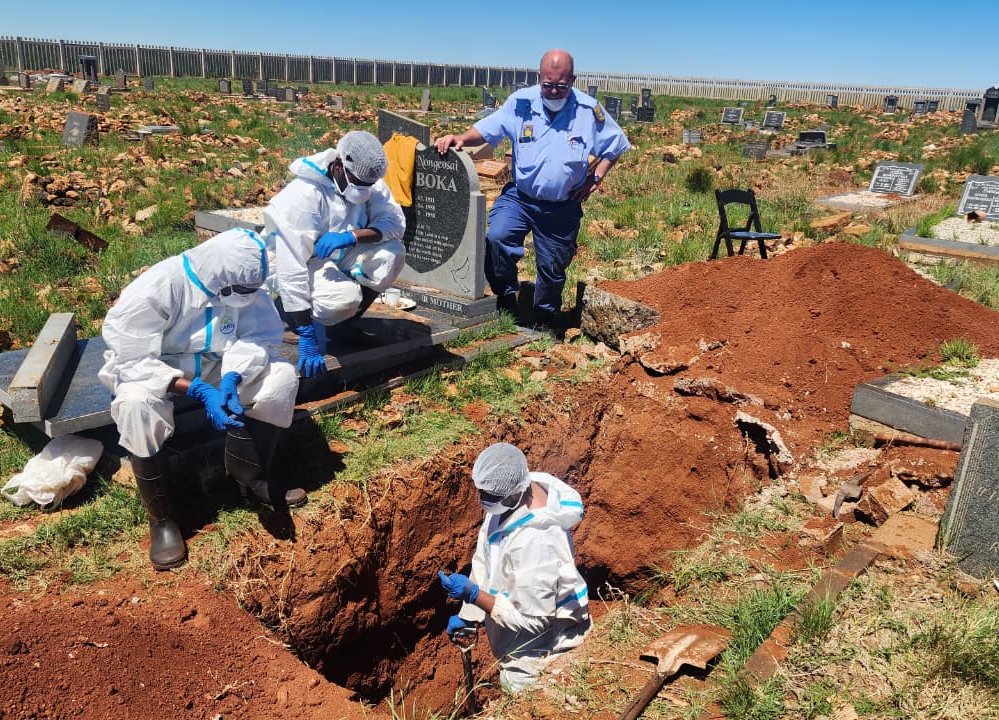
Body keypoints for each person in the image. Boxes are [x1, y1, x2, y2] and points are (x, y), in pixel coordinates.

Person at [99, 228, 305, 570]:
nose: (250, 296)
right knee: (136, 406)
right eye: (244, 291)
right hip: (155, 371)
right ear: (219, 278)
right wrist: (196, 389)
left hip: (216, 365)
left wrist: (233, 375)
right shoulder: (158, 288)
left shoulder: (243, 283)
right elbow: (131, 358)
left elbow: (258, 336)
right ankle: (162, 520)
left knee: (280, 377)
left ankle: (250, 477)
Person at [433, 49, 629, 330]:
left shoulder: (588, 111)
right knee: (497, 237)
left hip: (561, 206)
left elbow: (616, 144)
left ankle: (544, 319)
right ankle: (506, 298)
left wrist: (595, 178)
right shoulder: (521, 102)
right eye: (547, 85)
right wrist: (461, 138)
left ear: (573, 80)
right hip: (521, 197)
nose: (553, 91)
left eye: (561, 86)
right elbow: (489, 129)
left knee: (552, 267)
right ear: (539, 77)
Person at [437, 442, 590, 692]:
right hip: (517, 629)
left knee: (522, 698)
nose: (483, 500)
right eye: (482, 492)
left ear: (513, 493)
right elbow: (487, 557)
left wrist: (474, 595)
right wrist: (470, 615)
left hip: (542, 649)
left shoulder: (537, 539)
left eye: (490, 495)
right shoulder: (513, 492)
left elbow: (535, 621)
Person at [262, 130, 407, 377]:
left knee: (392, 254)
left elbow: (395, 224)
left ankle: (342, 325)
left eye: (368, 185)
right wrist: (307, 334)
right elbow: (291, 266)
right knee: (342, 300)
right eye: (358, 183)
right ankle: (291, 317)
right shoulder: (304, 195)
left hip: (338, 252)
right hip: (298, 260)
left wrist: (352, 237)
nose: (363, 190)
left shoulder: (368, 179)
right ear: (339, 165)